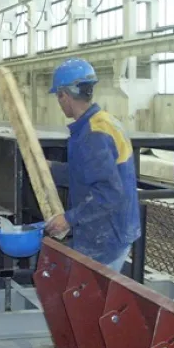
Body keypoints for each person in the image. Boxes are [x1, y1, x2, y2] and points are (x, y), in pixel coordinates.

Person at [44, 58, 141, 272]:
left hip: (105, 235)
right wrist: (50, 168)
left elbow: (108, 193)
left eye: (58, 97)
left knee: (90, 299)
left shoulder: (93, 134)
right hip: (115, 228)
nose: (59, 103)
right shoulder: (103, 121)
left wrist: (67, 219)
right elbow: (86, 174)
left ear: (64, 95)